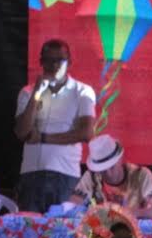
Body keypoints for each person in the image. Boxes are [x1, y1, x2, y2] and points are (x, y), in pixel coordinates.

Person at [14, 39, 96, 213]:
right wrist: (37, 92)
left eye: (60, 60)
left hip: (65, 176)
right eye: (49, 60)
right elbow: (22, 132)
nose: (54, 65)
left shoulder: (83, 91)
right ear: (41, 62)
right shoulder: (28, 92)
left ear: (70, 62)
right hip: (31, 173)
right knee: (29, 230)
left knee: (64, 232)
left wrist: (43, 137)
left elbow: (86, 133)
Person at [69, 134, 152, 219]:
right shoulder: (91, 177)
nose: (108, 173)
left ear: (120, 159)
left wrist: (134, 213)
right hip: (99, 236)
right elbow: (71, 208)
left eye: (112, 166)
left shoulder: (141, 175)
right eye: (102, 170)